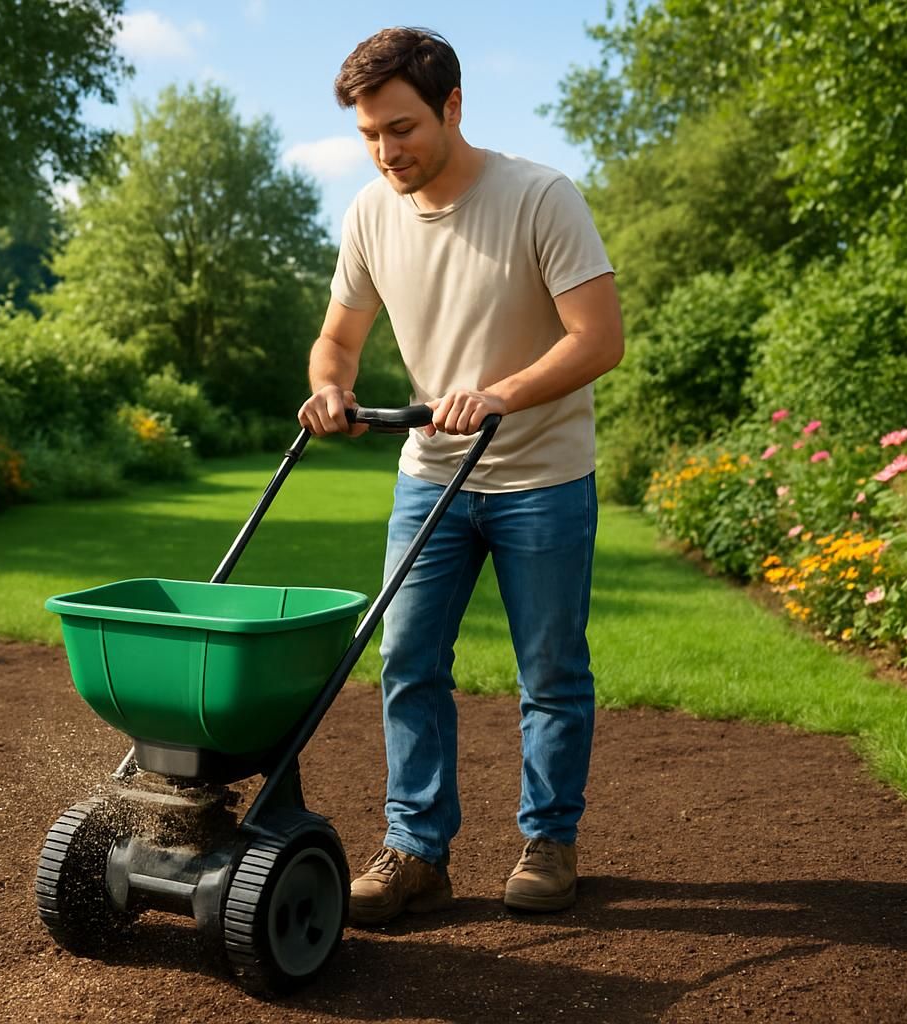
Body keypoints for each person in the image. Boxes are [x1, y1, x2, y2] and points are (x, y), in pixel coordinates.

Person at [297, 26, 624, 926]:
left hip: (543, 476)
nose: (385, 151)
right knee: (405, 660)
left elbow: (599, 339)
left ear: (452, 106)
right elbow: (337, 339)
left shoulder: (540, 197)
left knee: (550, 670)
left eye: (400, 128)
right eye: (369, 134)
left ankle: (549, 842)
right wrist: (331, 388)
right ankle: (415, 851)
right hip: (431, 475)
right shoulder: (371, 214)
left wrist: (498, 394)